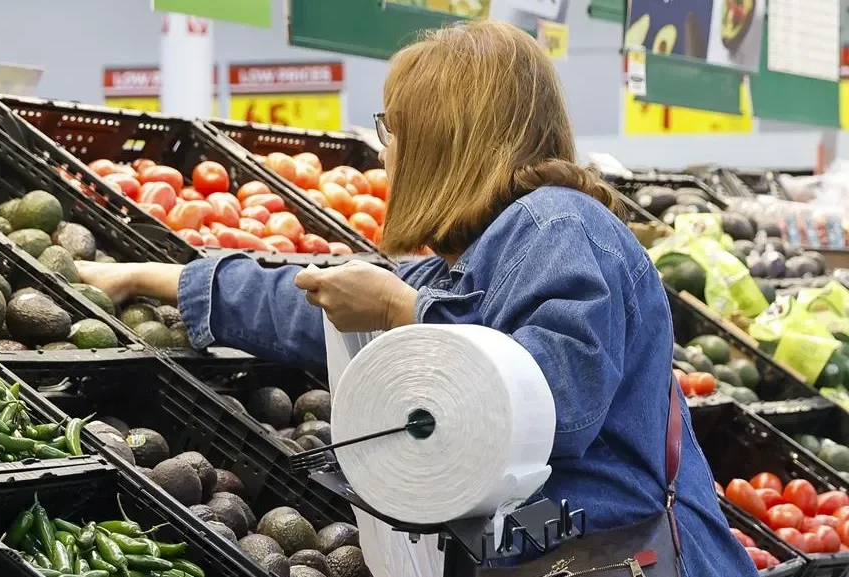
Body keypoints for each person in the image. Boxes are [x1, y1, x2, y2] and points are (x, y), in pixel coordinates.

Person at [78, 20, 755, 576]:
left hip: (624, 551)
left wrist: (404, 313)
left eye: (393, 129)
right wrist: (150, 278)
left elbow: (558, 402)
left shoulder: (560, 225)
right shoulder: (482, 253)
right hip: (552, 549)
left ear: (445, 141)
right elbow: (312, 302)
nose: (384, 154)